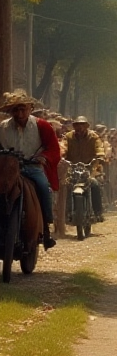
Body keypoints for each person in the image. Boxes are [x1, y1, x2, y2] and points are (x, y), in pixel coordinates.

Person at [0, 89, 60, 249]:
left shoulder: (42, 125)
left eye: (23, 109)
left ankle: (46, 228)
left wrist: (44, 157)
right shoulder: (3, 127)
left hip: (33, 167)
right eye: (15, 110)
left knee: (43, 189)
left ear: (30, 108)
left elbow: (53, 148)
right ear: (10, 111)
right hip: (9, 170)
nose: (19, 114)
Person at [63, 116, 105, 222]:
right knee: (67, 186)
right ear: (74, 126)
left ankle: (97, 212)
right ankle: (67, 213)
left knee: (94, 184)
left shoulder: (93, 137)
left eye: (82, 125)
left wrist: (100, 155)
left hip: (89, 168)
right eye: (77, 125)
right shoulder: (68, 136)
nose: (80, 127)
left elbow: (99, 147)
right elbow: (63, 147)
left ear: (87, 126)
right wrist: (61, 156)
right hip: (72, 168)